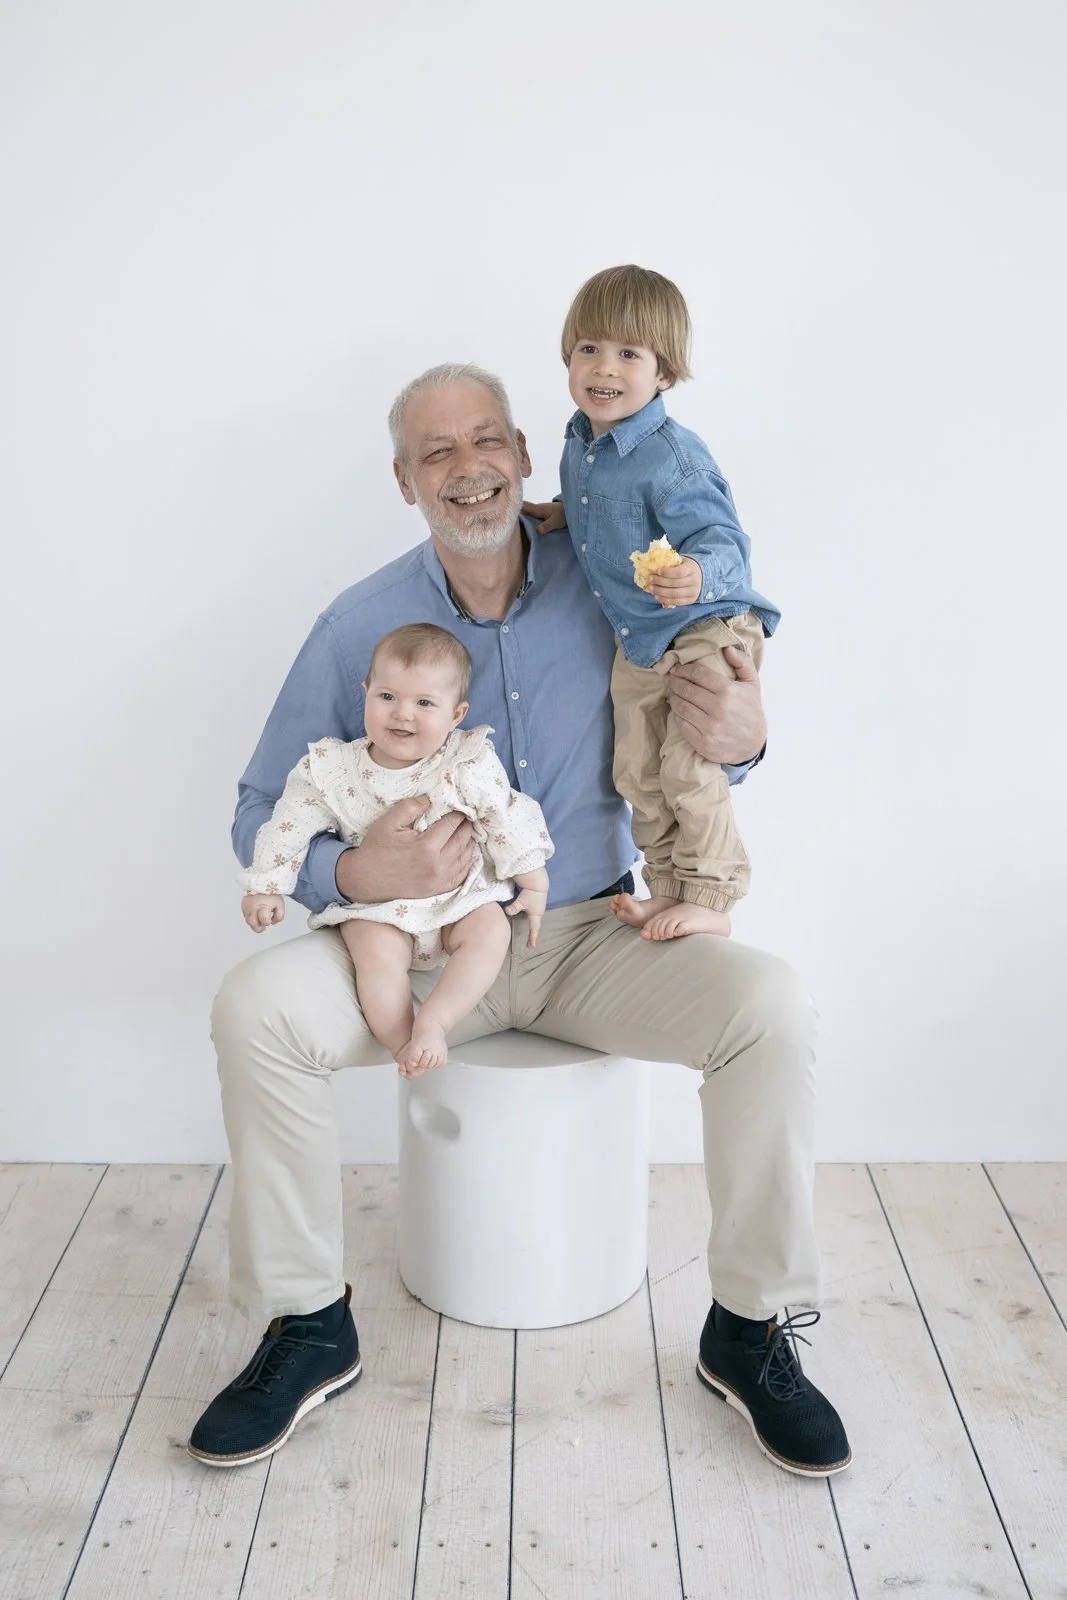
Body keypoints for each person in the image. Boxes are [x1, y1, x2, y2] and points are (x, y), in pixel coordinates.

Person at [189, 362, 851, 1480]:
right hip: (408, 942)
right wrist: (356, 866)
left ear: (525, 455)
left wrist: (745, 730)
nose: (468, 469)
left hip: (593, 934)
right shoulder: (358, 624)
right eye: (436, 453)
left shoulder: (613, 587)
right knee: (255, 1007)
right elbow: (260, 805)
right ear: (404, 481)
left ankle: (747, 1327)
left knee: (770, 1009)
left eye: (485, 439)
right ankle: (307, 1322)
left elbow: (716, 712)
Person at [525, 264, 778, 942]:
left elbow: (725, 541)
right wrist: (561, 516)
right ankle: (667, 888)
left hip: (702, 626)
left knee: (687, 764)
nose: (604, 368)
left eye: (628, 354)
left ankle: (712, 894)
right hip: (639, 638)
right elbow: (600, 512)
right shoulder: (581, 441)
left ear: (663, 373)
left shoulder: (673, 458)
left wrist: (696, 573)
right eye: (589, 349)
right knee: (636, 770)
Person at [238, 622, 552, 1077]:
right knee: (375, 958)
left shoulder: (464, 762)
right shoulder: (332, 770)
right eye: (387, 697)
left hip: (459, 901)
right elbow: (288, 824)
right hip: (378, 907)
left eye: (424, 703)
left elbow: (503, 814)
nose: (402, 714)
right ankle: (402, 1042)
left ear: (457, 713)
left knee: (490, 934)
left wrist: (532, 879)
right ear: (366, 692)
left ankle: (434, 1022)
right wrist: (265, 886)